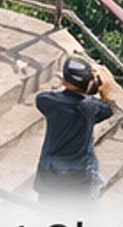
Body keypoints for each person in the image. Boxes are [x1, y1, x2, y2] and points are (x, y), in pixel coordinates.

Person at [34, 55, 117, 202]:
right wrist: (105, 91)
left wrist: (67, 86)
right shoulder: (91, 107)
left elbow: (42, 97)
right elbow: (108, 109)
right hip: (78, 172)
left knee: (46, 208)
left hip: (50, 169)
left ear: (64, 80)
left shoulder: (47, 101)